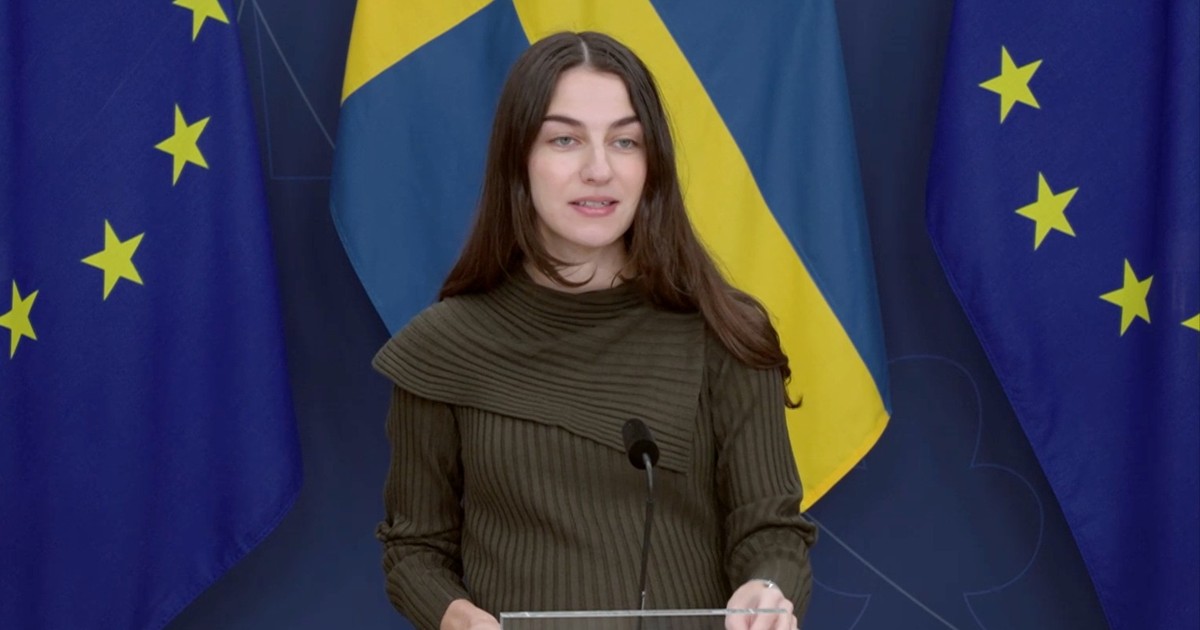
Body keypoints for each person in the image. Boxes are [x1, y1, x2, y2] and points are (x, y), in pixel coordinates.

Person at [373, 31, 817, 630]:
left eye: (625, 141)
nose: (599, 170)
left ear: (651, 166)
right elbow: (415, 549)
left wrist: (767, 586)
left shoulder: (724, 330)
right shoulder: (444, 347)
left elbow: (770, 527)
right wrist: (454, 616)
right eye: (565, 139)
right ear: (518, 159)